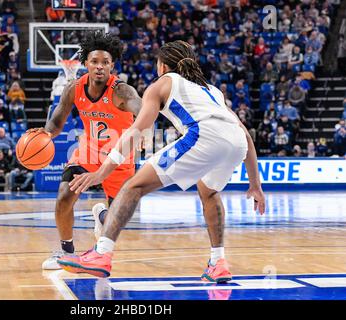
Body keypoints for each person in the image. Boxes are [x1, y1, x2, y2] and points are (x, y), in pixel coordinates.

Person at [58, 40, 265, 282]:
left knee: (133, 186)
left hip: (204, 135)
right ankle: (218, 262)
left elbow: (135, 130)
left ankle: (101, 254)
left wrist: (102, 172)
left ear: (162, 65)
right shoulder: (211, 90)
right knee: (208, 193)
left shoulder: (161, 84)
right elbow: (246, 137)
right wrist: (255, 184)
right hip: (235, 142)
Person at [27, 31, 142, 270]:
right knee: (64, 197)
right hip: (88, 153)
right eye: (94, 61)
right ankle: (66, 251)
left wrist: (142, 127)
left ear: (112, 65)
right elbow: (56, 122)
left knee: (118, 220)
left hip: (119, 156)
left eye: (105, 62)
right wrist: (46, 135)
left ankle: (102, 217)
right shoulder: (74, 89)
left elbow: (141, 108)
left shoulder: (122, 91)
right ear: (86, 63)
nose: (99, 67)